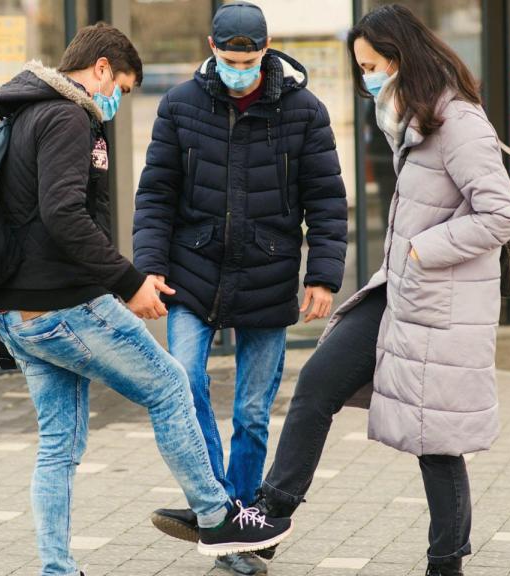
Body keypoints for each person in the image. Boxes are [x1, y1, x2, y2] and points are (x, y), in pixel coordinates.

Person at [0, 23, 294, 576]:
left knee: (58, 447)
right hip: (67, 307)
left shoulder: (24, 112)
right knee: (172, 385)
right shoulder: (66, 116)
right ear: (101, 68)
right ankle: (217, 516)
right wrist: (128, 282)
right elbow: (63, 215)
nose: (117, 102)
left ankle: (56, 569)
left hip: (18, 315)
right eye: (122, 89)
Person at [251, 5, 510, 576]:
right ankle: (269, 519)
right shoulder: (416, 120)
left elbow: (500, 214)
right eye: (360, 67)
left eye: (371, 65)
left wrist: (425, 248)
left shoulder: (458, 121)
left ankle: (445, 562)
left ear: (401, 60)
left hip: (439, 303)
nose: (365, 78)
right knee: (318, 382)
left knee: (436, 438)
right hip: (399, 292)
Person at [132, 3, 348, 574]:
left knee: (253, 412)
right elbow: (155, 193)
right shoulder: (179, 105)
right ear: (211, 47)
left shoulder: (304, 111)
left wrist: (323, 276)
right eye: (228, 60)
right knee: (183, 384)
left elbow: (326, 201)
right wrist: (148, 266)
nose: (238, 69)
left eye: (248, 60)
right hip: (191, 273)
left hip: (269, 274)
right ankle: (221, 509)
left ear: (266, 48)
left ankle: (239, 518)